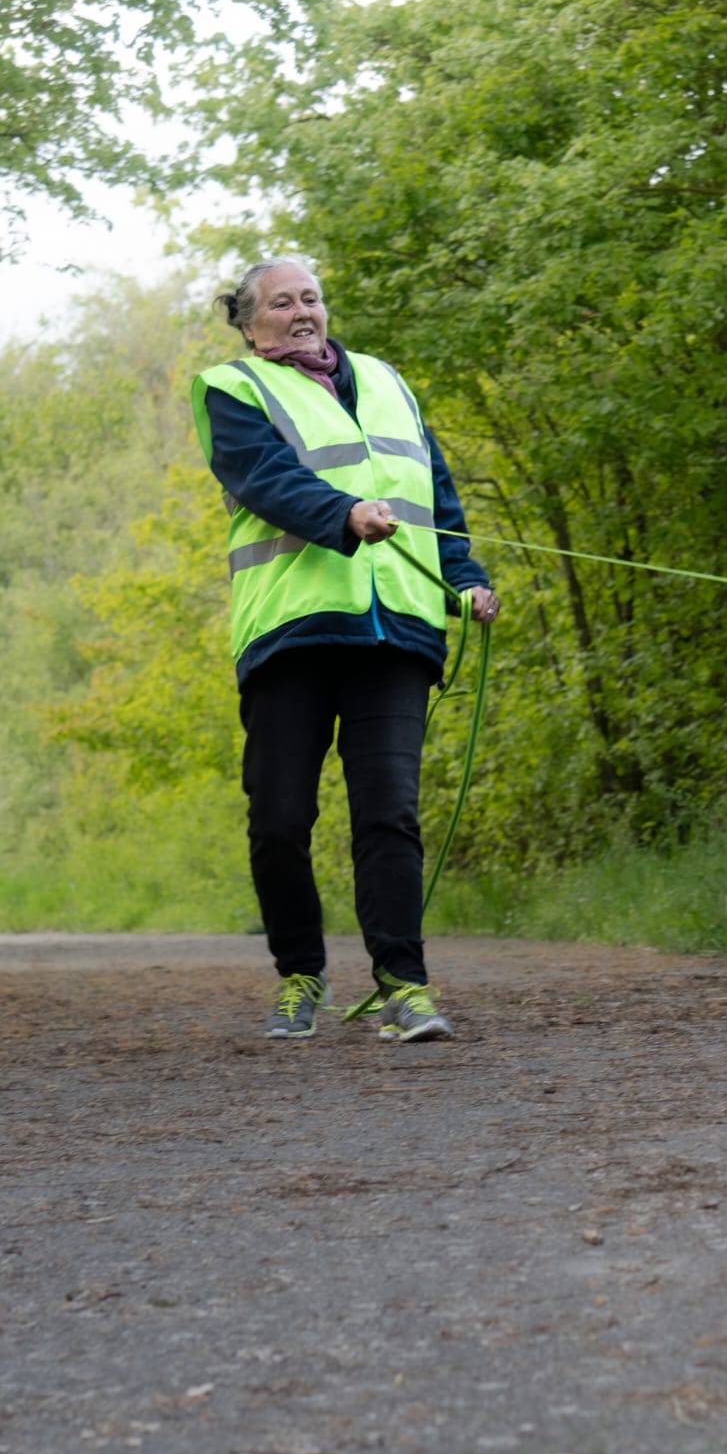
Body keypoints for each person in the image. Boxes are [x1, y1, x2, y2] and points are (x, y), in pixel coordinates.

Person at [191, 258, 499, 1043]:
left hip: (396, 632)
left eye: (312, 299)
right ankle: (301, 975)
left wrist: (465, 584)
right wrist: (343, 515)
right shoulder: (232, 389)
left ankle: (406, 988)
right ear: (250, 324)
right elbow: (264, 479)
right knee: (280, 821)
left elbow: (437, 496)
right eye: (282, 303)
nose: (302, 312)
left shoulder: (389, 382)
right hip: (290, 632)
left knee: (389, 814)